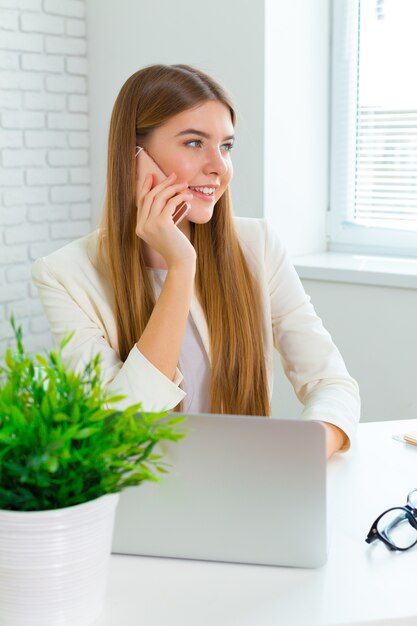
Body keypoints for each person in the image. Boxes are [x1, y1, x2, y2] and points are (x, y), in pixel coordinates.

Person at [32, 63, 360, 458]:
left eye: (226, 146)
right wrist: (181, 267)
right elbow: (121, 432)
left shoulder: (257, 245)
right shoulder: (65, 275)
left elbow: (332, 383)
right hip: (139, 499)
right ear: (135, 157)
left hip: (246, 487)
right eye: (193, 143)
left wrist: (296, 457)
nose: (219, 167)